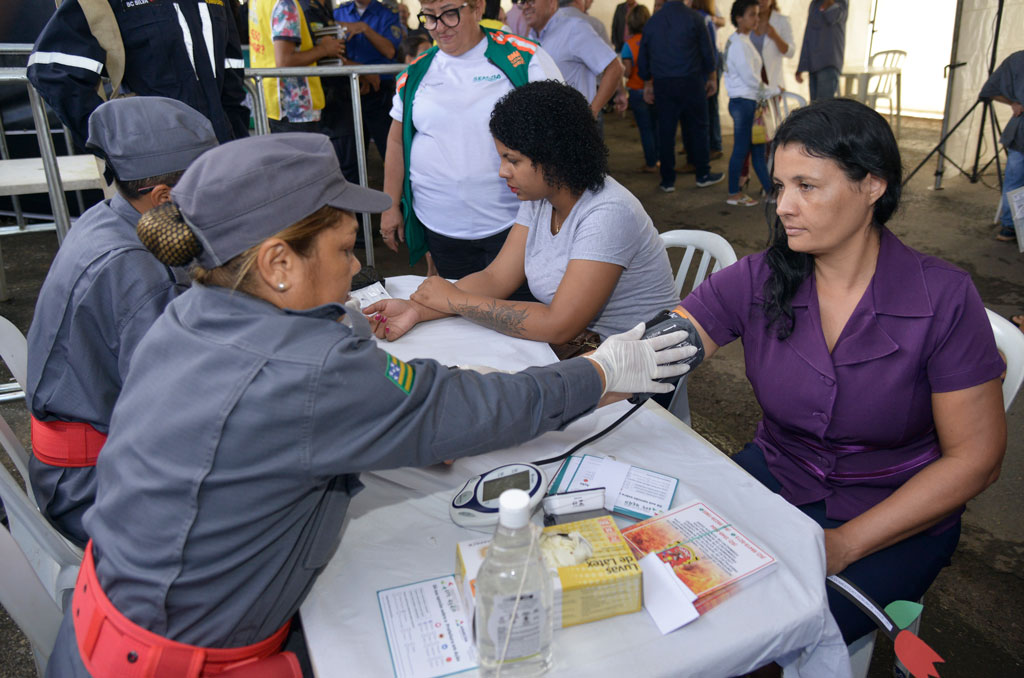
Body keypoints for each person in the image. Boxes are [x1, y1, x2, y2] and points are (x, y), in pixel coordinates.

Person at [43, 132, 693, 677]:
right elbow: (479, 407)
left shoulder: (190, 313)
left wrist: (409, 409)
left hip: (109, 628)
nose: (356, 269)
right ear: (277, 264)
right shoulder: (309, 372)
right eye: (344, 249)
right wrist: (598, 370)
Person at [679, 99, 1006, 653]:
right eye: (779, 186)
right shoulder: (760, 278)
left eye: (807, 186)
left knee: (762, 645)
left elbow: (976, 458)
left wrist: (844, 545)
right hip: (776, 476)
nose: (783, 206)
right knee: (674, 589)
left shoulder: (942, 298)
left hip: (894, 513)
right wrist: (570, 389)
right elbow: (654, 350)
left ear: (872, 186)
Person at [25, 97, 219, 548]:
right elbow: (174, 411)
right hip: (92, 486)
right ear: (165, 196)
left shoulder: (112, 216)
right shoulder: (132, 268)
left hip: (89, 454)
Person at [366, 81, 679, 358]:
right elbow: (496, 278)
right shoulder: (542, 196)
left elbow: (559, 324)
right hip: (585, 352)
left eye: (512, 160)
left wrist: (455, 301)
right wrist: (416, 310)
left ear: (554, 158)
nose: (502, 171)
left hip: (636, 366)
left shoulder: (608, 212)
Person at [380, 0, 562, 285]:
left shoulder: (524, 58)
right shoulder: (415, 72)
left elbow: (562, 132)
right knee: (459, 311)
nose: (439, 27)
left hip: (516, 223)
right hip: (440, 226)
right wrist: (391, 206)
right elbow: (396, 141)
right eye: (429, 17)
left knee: (522, 309)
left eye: (449, 14)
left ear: (477, 7)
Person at [27, 0, 249, 147]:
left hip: (221, 152)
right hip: (158, 164)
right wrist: (114, 143)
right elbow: (50, 67)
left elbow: (230, 70)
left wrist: (240, 144)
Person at [637, 0, 723, 192]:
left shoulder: (653, 21)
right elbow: (708, 53)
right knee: (699, 127)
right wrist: (712, 78)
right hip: (691, 81)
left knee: (666, 131)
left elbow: (643, 57)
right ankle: (702, 174)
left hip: (663, 83)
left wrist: (647, 82)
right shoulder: (695, 18)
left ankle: (667, 180)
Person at [249, 0, 344, 133]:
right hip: (295, 107)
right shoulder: (285, 4)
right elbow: (284, 61)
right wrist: (324, 49)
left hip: (271, 99)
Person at [523, 0, 624, 119]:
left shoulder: (574, 28)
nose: (525, 6)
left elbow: (614, 68)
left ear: (551, 3)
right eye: (522, 2)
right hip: (543, 125)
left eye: (531, 1)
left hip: (572, 126)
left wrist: (592, 112)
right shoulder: (531, 37)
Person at [334, 0, 404, 159]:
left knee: (389, 148)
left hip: (379, 89)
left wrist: (364, 28)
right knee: (349, 154)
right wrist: (360, 71)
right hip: (347, 89)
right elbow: (330, 53)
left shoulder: (387, 14)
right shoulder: (338, 13)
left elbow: (390, 51)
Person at [723, 0, 773, 207]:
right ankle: (733, 193)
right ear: (738, 18)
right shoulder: (738, 44)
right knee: (742, 150)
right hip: (744, 103)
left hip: (750, 102)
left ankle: (772, 192)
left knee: (758, 151)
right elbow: (749, 77)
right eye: (752, 14)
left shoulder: (741, 40)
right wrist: (772, 90)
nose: (756, 18)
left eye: (757, 14)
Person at [979, 50, 1024, 242]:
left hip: (1019, 134)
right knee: (1014, 179)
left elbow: (990, 90)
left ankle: (1010, 226)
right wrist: (1014, 102)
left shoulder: (1017, 59)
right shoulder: (1018, 60)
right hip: (1020, 133)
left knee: (1014, 180)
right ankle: (1009, 225)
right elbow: (989, 91)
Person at [621, 5, 659, 174]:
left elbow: (628, 72)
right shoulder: (654, 39)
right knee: (657, 127)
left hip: (636, 90)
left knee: (645, 130)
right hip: (655, 89)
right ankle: (660, 158)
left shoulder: (628, 45)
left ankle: (651, 163)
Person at [795, 0, 847, 102]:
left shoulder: (841, 3)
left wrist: (828, 3)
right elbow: (808, 36)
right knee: (814, 108)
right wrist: (802, 65)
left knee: (823, 108)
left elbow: (832, 17)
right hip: (813, 64)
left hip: (828, 64)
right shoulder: (814, 4)